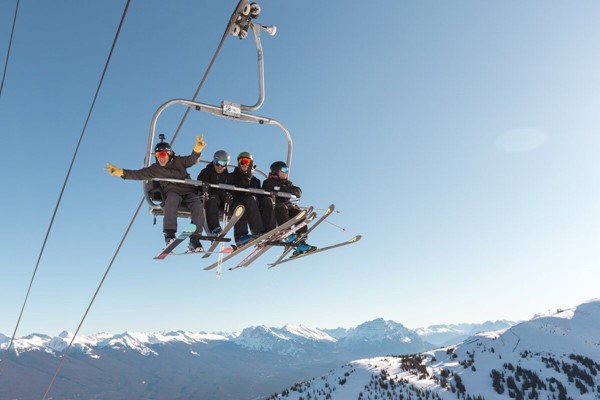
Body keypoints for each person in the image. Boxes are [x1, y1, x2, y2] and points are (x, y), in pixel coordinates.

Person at [104, 135, 207, 252]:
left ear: (169, 154)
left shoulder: (179, 161)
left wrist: (197, 149)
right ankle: (170, 235)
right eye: (158, 156)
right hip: (172, 192)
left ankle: (195, 239)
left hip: (188, 191)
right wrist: (120, 172)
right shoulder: (155, 169)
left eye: (162, 155)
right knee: (171, 200)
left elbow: (191, 160)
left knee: (197, 204)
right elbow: (138, 174)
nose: (160, 158)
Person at [262, 161, 316, 255]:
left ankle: (301, 241)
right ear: (276, 171)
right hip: (275, 209)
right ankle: (287, 234)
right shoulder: (268, 182)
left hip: (287, 207)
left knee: (298, 213)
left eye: (287, 169)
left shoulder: (288, 183)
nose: (286, 172)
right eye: (284, 169)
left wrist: (286, 190)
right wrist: (288, 191)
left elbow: (298, 192)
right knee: (281, 208)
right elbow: (274, 190)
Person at [229, 152, 276, 246]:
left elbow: (259, 195)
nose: (245, 164)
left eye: (248, 162)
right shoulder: (232, 176)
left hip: (252, 204)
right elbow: (239, 189)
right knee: (250, 199)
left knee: (267, 200)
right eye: (243, 161)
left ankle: (270, 231)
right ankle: (257, 232)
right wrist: (248, 177)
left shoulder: (256, 181)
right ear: (238, 163)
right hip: (235, 202)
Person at [197, 150, 233, 236]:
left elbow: (231, 190)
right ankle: (214, 228)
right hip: (208, 199)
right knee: (213, 198)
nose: (220, 166)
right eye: (217, 163)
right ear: (214, 162)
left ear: (227, 164)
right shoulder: (206, 172)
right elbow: (198, 186)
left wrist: (228, 196)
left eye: (223, 163)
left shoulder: (228, 177)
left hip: (222, 201)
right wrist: (204, 191)